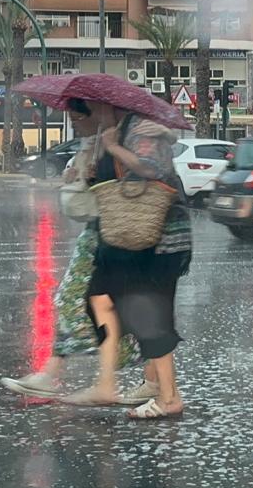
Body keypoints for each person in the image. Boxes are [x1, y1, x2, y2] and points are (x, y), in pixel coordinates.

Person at [0, 99, 158, 406]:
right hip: (102, 232)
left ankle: (69, 377)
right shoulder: (98, 141)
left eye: (76, 118)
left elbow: (136, 179)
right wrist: (79, 173)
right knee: (107, 306)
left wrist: (98, 169)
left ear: (96, 112)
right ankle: (150, 380)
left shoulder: (122, 138)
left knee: (90, 302)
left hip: (116, 233)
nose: (73, 124)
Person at [60, 99, 191, 419]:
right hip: (129, 236)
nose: (88, 116)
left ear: (107, 106)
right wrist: (89, 174)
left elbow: (150, 168)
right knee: (101, 296)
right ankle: (139, 382)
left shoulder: (140, 128)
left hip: (158, 238)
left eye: (91, 108)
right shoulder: (115, 130)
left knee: (146, 311)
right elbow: (119, 181)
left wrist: (114, 148)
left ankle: (169, 397)